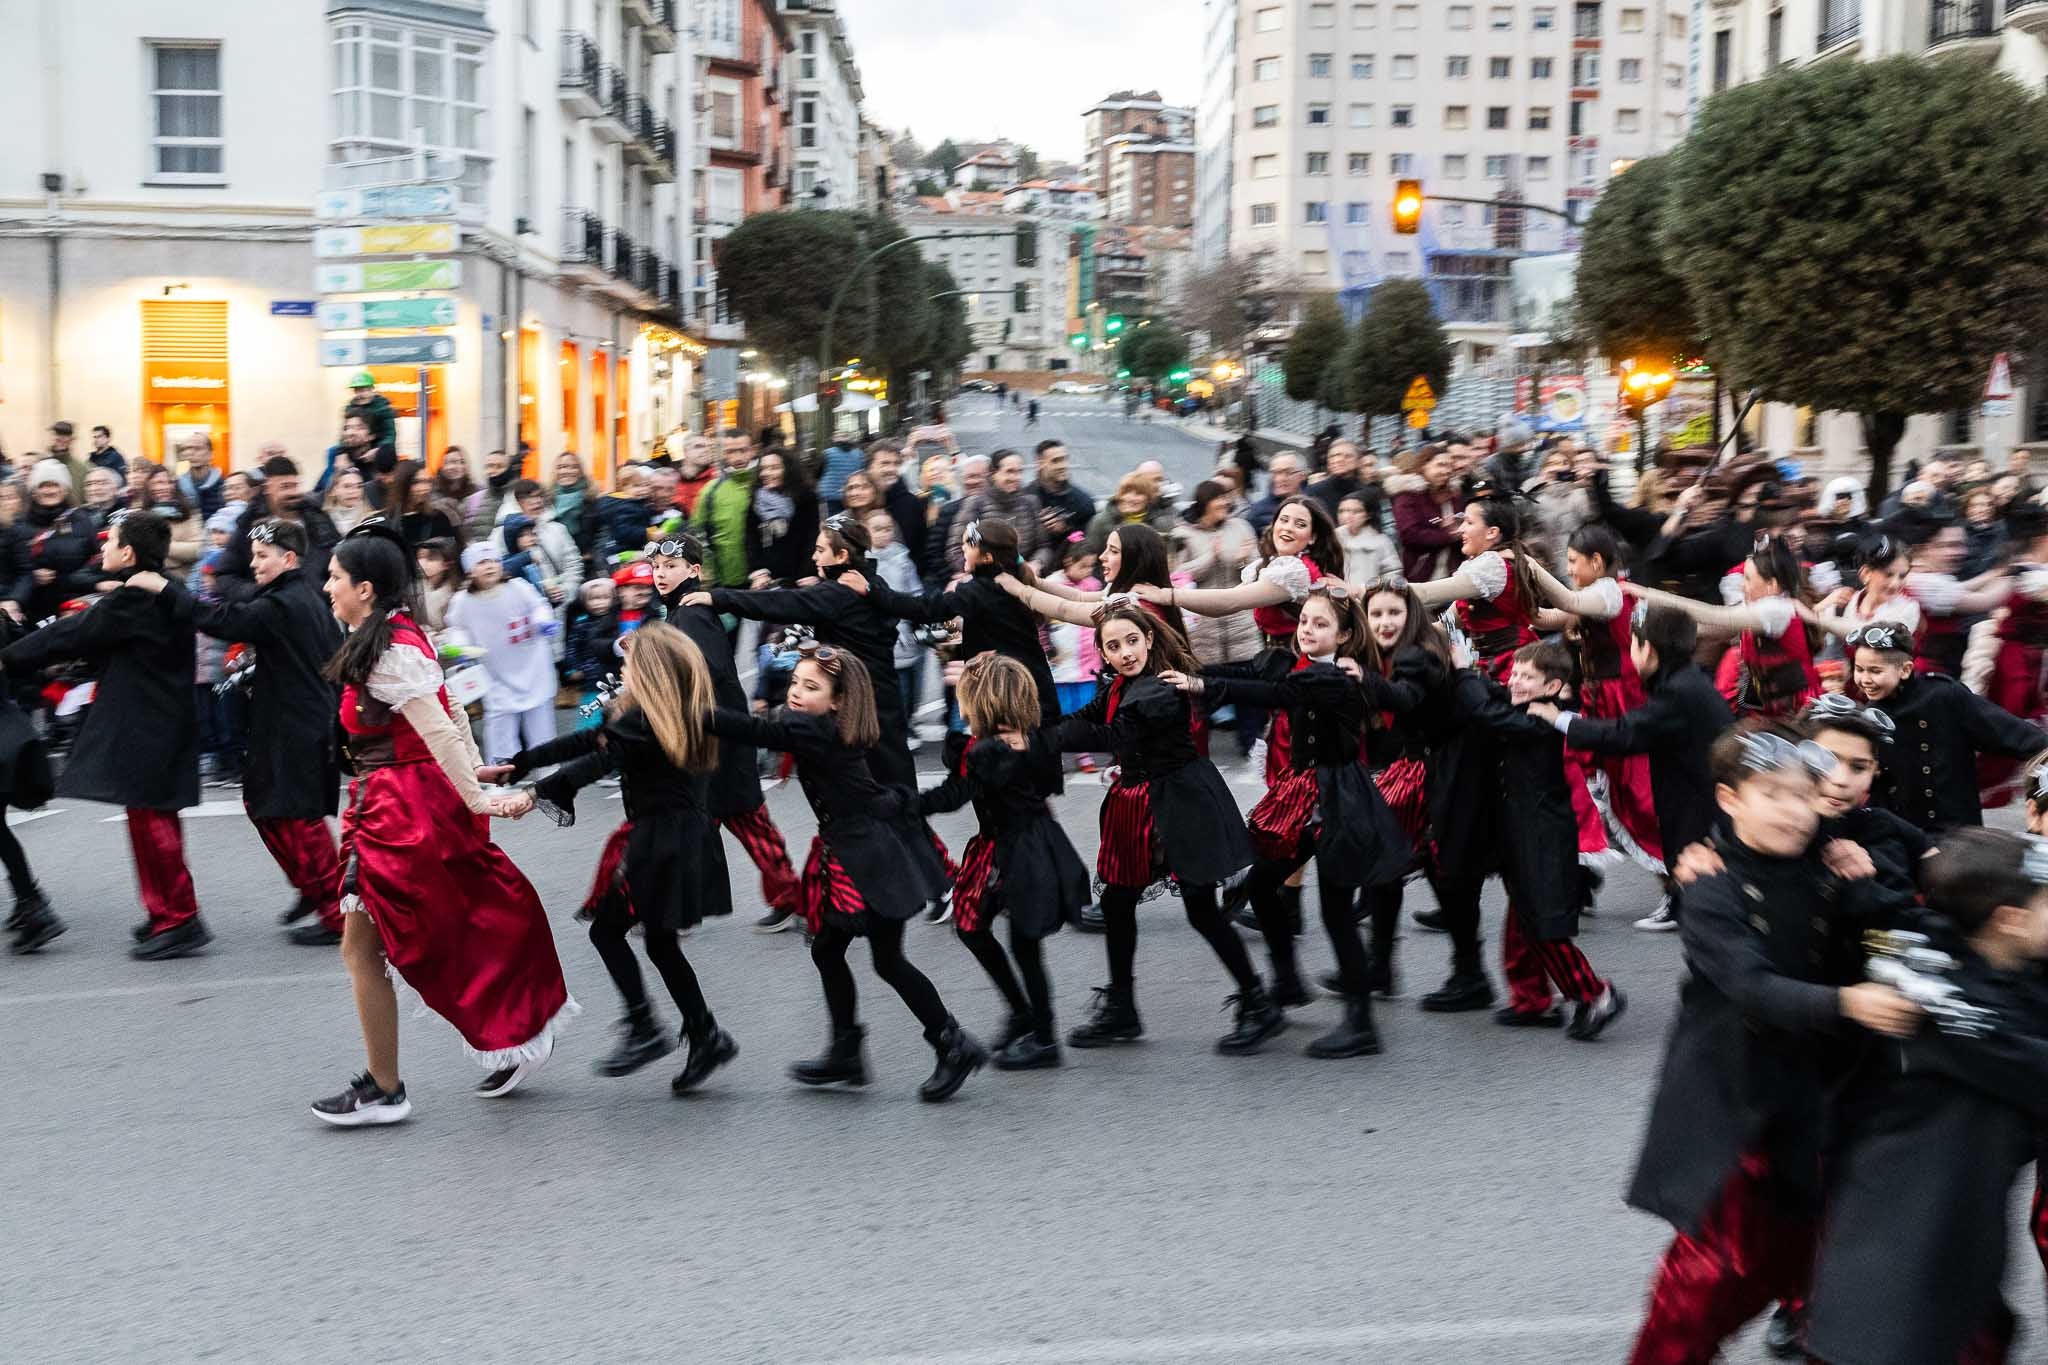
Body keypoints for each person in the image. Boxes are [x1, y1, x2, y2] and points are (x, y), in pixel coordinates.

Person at [1621, 727, 1911, 1363]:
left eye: (1804, 796)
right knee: (1706, 1279)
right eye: (1772, 794)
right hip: (1740, 1108)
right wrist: (1848, 1003)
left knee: (1843, 1261)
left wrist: (1863, 886)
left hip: (1825, 1101)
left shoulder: (1833, 862)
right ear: (1729, 798)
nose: (1792, 811)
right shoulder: (1711, 884)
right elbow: (1750, 985)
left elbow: (1894, 928)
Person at [311, 522, 573, 1125]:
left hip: (401, 808)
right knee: (382, 939)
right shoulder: (397, 636)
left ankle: (391, 1085)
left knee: (418, 936)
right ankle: (402, 1076)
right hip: (396, 800)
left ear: (367, 588)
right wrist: (475, 770)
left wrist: (477, 794)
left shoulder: (391, 649)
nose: (328, 587)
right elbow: (450, 706)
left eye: (336, 578)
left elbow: (435, 723)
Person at [1800, 827, 2048, 1365]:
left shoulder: (1948, 951)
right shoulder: (1962, 1014)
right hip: (1914, 1234)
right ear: (2012, 919)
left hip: (1937, 1217)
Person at [705, 643, 984, 1101]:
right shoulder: (828, 726)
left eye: (810, 687)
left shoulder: (813, 729)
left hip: (869, 857)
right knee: (831, 949)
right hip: (862, 846)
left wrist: (687, 707)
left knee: (886, 960)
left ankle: (951, 1044)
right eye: (795, 682)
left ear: (837, 701)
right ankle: (847, 1050)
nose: (796, 692)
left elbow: (749, 728)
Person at [495, 623, 740, 1093]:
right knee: (660, 942)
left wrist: (535, 794)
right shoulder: (647, 712)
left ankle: (645, 1026)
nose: (621, 670)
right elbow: (587, 742)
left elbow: (598, 763)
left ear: (649, 672)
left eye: (628, 664)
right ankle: (705, 1034)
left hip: (663, 838)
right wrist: (521, 763)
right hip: (671, 834)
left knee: (608, 930)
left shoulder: (649, 719)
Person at [1164, 583, 1404, 1058]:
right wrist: (1190, 672)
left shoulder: (1333, 678)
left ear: (1345, 635)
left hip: (1338, 800)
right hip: (1305, 796)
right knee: (1260, 883)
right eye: (1305, 622)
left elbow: (1272, 692)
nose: (1308, 630)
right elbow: (1250, 672)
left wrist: (1202, 686)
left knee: (1336, 912)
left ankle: (1361, 1023)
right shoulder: (1298, 664)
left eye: (1321, 624)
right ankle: (1288, 979)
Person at [1042, 605, 1271, 1052]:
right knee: (1117, 902)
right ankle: (1123, 1009)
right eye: (1113, 646)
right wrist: (1040, 729)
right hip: (1143, 802)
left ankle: (1257, 1002)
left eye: (1131, 641)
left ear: (1148, 639)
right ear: (1104, 654)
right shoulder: (1118, 685)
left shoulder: (1158, 691)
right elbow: (1088, 718)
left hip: (1183, 804)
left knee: (1200, 909)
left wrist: (1037, 740)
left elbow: (1110, 737)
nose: (1125, 652)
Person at [0, 510, 207, 959]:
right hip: (157, 719)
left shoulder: (135, 598)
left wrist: (8, 657)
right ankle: (163, 914)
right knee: (148, 819)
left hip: (151, 723)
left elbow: (74, 632)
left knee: (155, 825)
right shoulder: (153, 590)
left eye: (110, 542)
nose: (103, 550)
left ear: (129, 552)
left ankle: (180, 919)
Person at [130, 520, 345, 945]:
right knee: (265, 807)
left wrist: (164, 588)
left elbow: (220, 619)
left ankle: (337, 911)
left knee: (297, 818)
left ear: (289, 558)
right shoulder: (292, 595)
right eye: (253, 555)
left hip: (296, 725)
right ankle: (313, 888)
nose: (254, 564)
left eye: (262, 556)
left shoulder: (285, 601)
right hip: (288, 720)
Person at [915, 656, 1089, 1070]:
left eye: (965, 699)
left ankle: (1045, 1038)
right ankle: (1022, 1013)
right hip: (1002, 843)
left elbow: (954, 794)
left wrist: (906, 806)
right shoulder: (1013, 741)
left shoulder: (995, 751)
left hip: (1022, 848)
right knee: (972, 927)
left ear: (983, 705)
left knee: (1024, 943)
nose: (960, 706)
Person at [1533, 604, 1732, 933]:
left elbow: (1624, 734)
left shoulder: (1676, 692)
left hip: (1701, 799)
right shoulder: (1684, 680)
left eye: (1633, 645)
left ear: (1648, 649)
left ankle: (1697, 914)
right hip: (1699, 793)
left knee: (1698, 871)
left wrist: (1559, 719)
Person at [685, 514, 920, 791]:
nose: (814, 556)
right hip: (880, 699)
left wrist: (717, 597)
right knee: (894, 783)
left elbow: (780, 602)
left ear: (842, 555)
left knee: (875, 788)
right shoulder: (871, 582)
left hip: (861, 705)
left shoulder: (838, 594)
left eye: (821, 550)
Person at [1465, 642, 1627, 1037]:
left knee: (1544, 926)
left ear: (1553, 685)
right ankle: (1532, 999)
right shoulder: (1530, 708)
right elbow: (1496, 699)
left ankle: (1595, 993)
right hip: (1521, 833)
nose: (1515, 682)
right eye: (1515, 673)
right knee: (1522, 921)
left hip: (1542, 836)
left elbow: (1487, 714)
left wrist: (1462, 675)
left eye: (1527, 677)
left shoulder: (1546, 720)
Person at [647, 533, 802, 934]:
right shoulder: (680, 611)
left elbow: (709, 674)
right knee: (702, 824)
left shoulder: (691, 612)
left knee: (744, 821)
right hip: (708, 737)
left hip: (718, 738)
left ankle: (797, 900)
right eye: (657, 568)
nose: (660, 574)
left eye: (671, 567)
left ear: (693, 571)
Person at [846, 517, 1059, 725]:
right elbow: (959, 628)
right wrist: (931, 638)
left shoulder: (982, 589)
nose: (962, 548)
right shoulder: (1010, 578)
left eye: (968, 544)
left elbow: (926, 608)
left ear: (987, 558)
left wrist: (871, 590)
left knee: (1006, 748)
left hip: (1007, 687)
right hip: (1028, 681)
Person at [1846, 619, 2045, 832]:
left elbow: (2010, 733)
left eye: (1875, 671)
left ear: (1905, 670)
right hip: (1901, 837)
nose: (1864, 679)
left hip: (1957, 833)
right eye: (1859, 669)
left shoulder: (1944, 696)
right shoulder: (1868, 718)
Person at [1624, 538, 1824, 720]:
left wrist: (1646, 593)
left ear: (1771, 585)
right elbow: (1711, 629)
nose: (1741, 586)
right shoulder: (1760, 607)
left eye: (1747, 579)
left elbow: (1717, 615)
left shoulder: (1776, 609)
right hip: (1770, 706)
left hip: (1797, 708)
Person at [444, 542, 559, 762]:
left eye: (494, 561)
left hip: (533, 665)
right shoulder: (463, 601)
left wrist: (543, 621)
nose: (490, 567)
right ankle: (502, 776)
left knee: (541, 728)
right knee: (500, 726)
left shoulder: (518, 587)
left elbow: (538, 606)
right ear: (470, 570)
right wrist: (461, 647)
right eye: (482, 562)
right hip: (496, 672)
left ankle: (549, 775)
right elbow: (457, 628)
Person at [211, 454, 341, 604]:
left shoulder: (319, 521)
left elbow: (339, 568)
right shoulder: (249, 525)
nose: (294, 492)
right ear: (267, 488)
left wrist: (317, 592)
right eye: (285, 486)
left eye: (296, 485)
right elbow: (225, 576)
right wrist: (262, 595)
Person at [1170, 480, 1262, 675]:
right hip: (1203, 633)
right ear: (1204, 503)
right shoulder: (1182, 534)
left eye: (1226, 498)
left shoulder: (1241, 527)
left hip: (1243, 630)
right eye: (1218, 498)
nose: (1224, 503)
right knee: (1211, 696)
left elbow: (1257, 571)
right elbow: (1178, 576)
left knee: (1250, 696)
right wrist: (1210, 558)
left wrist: (1241, 561)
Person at [947, 450, 1048, 574]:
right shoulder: (976, 505)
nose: (1016, 477)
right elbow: (957, 549)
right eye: (1010, 471)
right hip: (986, 579)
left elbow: (1044, 546)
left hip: (1025, 577)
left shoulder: (1030, 504)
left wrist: (1036, 563)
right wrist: (978, 571)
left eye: (1019, 472)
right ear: (993, 474)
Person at [490, 480, 583, 607]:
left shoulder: (557, 529)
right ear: (516, 502)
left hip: (556, 609)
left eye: (539, 496)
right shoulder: (499, 535)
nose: (537, 501)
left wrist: (565, 591)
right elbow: (495, 570)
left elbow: (574, 566)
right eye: (528, 497)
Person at [691, 428, 758, 594]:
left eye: (742, 450)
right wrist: (707, 576)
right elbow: (698, 534)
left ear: (752, 451)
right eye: (731, 452)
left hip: (765, 580)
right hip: (725, 584)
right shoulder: (711, 490)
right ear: (724, 455)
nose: (737, 457)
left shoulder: (766, 484)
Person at [745, 449, 820, 588]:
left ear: (788, 469)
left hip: (802, 578)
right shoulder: (756, 500)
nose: (766, 473)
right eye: (763, 469)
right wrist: (759, 573)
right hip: (767, 580)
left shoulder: (806, 497)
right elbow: (751, 539)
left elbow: (812, 537)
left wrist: (808, 572)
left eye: (774, 468)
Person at [1027, 440, 1095, 544]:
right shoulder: (1026, 496)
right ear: (1039, 464)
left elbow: (1085, 542)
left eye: (1064, 459)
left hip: (1067, 558)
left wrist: (1066, 530)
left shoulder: (1083, 502)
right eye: (1055, 461)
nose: (1062, 466)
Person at [386, 459, 460, 550]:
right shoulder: (386, 522)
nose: (425, 488)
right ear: (403, 483)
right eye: (416, 482)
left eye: (428, 481)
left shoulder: (439, 518)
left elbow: (451, 554)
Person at [1334, 492, 1399, 583]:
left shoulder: (1380, 541)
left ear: (1368, 515)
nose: (1347, 516)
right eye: (1342, 511)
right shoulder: (1332, 540)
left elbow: (1392, 573)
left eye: (1356, 511)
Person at [175, 435, 228, 523]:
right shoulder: (177, 486)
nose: (191, 452)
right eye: (187, 448)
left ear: (211, 454)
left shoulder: (224, 486)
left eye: (197, 448)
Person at [341, 371, 397, 452]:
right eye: (357, 391)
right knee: (334, 452)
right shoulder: (350, 408)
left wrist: (378, 449)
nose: (360, 394)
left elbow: (390, 435)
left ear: (372, 389)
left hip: (378, 446)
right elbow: (344, 432)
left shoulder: (383, 409)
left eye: (363, 390)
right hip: (356, 446)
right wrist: (341, 452)